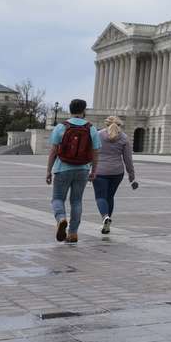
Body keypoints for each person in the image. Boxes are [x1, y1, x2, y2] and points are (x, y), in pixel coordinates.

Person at [46, 99, 101, 244]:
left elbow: (53, 151)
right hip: (82, 169)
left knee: (57, 198)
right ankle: (73, 233)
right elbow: (95, 152)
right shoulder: (91, 128)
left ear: (70, 110)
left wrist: (48, 171)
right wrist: (94, 170)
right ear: (84, 110)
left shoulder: (61, 127)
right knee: (76, 201)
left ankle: (61, 218)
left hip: (62, 168)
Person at [91, 115, 137, 235]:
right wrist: (131, 176)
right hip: (117, 172)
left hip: (100, 171)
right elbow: (128, 159)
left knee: (100, 197)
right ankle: (107, 224)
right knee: (109, 197)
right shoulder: (124, 137)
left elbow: (92, 154)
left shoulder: (98, 135)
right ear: (119, 124)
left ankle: (105, 217)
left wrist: (89, 169)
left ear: (106, 124)